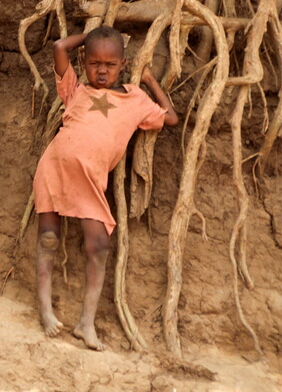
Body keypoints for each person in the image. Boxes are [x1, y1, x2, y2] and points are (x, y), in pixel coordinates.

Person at [33, 25, 178, 350]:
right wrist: (92, 36)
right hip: (55, 168)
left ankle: (86, 322)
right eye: (95, 63)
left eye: (110, 64)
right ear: (85, 62)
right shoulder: (76, 91)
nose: (101, 70)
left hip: (90, 182)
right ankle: (44, 308)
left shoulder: (136, 99)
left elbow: (171, 118)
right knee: (48, 237)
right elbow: (59, 46)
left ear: (123, 65)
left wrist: (150, 80)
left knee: (98, 245)